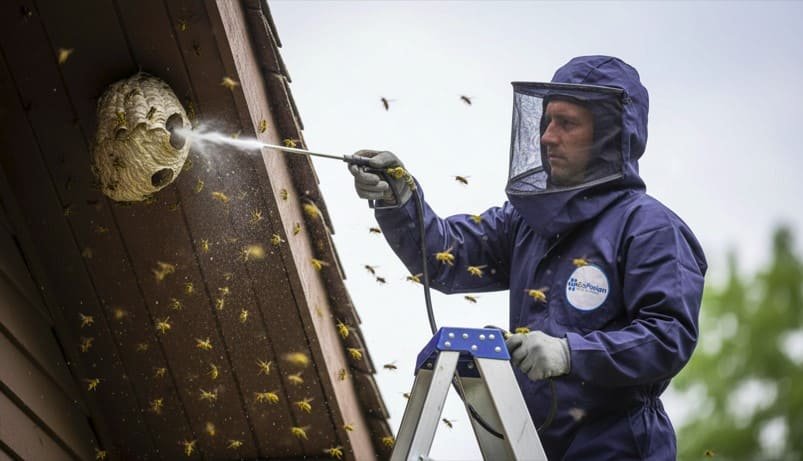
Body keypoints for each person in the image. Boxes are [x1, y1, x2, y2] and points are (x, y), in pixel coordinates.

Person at [349, 55, 706, 460]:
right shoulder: (526, 223)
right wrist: (402, 201)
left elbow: (667, 337)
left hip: (617, 448)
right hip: (531, 444)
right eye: (546, 122)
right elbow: (445, 256)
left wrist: (571, 353)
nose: (548, 137)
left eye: (567, 123)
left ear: (608, 135)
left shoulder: (649, 228)